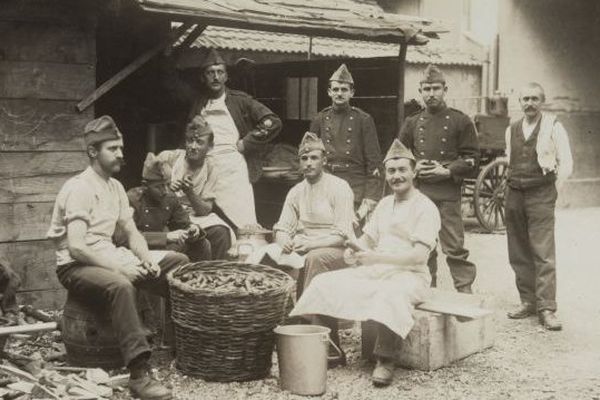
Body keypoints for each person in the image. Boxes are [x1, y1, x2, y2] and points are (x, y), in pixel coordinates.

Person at [46, 116, 188, 400]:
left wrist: (146, 258)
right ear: (93, 152)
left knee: (177, 263)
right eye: (113, 148)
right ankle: (139, 374)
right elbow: (77, 247)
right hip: (76, 266)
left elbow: (132, 232)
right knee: (121, 286)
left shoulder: (116, 188)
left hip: (108, 256)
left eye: (121, 148)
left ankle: (181, 348)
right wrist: (121, 269)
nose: (121, 154)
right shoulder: (79, 188)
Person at [290, 139, 441, 386]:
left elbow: (418, 257)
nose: (397, 176)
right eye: (391, 171)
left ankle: (385, 359)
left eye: (402, 170)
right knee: (323, 283)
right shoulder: (383, 204)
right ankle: (331, 348)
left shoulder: (425, 207)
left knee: (389, 293)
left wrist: (374, 258)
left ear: (414, 172)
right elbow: (368, 239)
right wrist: (355, 250)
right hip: (378, 268)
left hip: (411, 275)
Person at [399, 64, 479, 293]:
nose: (431, 93)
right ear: (420, 91)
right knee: (424, 246)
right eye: (426, 89)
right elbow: (398, 155)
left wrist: (447, 171)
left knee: (454, 248)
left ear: (445, 89)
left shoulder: (460, 121)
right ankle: (426, 290)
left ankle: (464, 292)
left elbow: (472, 159)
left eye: (436, 88)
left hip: (447, 195)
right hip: (420, 194)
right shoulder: (411, 122)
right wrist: (414, 168)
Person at [188, 48, 282, 229]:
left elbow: (273, 121)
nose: (215, 77)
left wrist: (247, 143)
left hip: (233, 170)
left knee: (241, 219)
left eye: (219, 72)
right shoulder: (199, 103)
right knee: (208, 218)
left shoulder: (240, 100)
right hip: (205, 168)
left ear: (226, 76)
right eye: (210, 73)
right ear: (203, 78)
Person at [505, 82, 573, 331]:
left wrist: (553, 191)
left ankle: (546, 308)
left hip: (541, 193)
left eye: (534, 98)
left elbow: (566, 163)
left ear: (542, 101)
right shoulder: (512, 128)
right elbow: (509, 158)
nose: (529, 103)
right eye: (525, 99)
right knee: (518, 249)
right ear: (520, 102)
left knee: (543, 252)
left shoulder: (553, 126)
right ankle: (527, 301)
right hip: (514, 193)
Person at [263, 132, 355, 294]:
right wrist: (284, 241)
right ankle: (282, 311)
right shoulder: (296, 191)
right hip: (304, 245)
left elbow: (343, 235)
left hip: (339, 249)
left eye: (314, 158)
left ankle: (312, 315)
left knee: (314, 258)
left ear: (324, 161)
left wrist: (311, 244)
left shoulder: (339, 187)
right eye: (304, 159)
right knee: (265, 255)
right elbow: (283, 226)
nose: (309, 163)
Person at [309, 63, 383, 225]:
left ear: (352, 93)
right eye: (335, 89)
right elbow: (309, 157)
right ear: (329, 92)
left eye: (344, 89)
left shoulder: (363, 120)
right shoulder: (319, 119)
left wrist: (370, 197)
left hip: (354, 188)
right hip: (325, 185)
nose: (339, 93)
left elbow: (374, 162)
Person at [157, 116, 233, 260]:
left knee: (221, 232)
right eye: (190, 140)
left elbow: (205, 210)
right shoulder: (168, 158)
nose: (193, 146)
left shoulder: (211, 168)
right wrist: (167, 188)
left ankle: (212, 273)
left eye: (199, 142)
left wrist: (190, 192)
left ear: (210, 147)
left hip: (195, 218)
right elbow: (148, 190)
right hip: (168, 216)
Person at [126, 152, 211, 261]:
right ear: (145, 185)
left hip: (162, 247)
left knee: (202, 244)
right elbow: (124, 238)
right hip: (138, 251)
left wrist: (192, 229)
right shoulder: (131, 200)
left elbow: (183, 223)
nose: (165, 191)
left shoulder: (169, 197)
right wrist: (166, 237)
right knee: (179, 258)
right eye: (159, 187)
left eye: (167, 184)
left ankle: (202, 275)